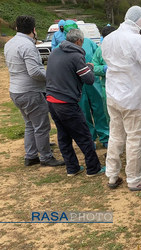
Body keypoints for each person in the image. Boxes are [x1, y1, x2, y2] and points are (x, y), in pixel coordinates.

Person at [102, 6, 141, 191]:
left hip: (114, 96)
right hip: (134, 99)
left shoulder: (109, 38)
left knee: (116, 136)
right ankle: (134, 180)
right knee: (134, 139)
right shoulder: (137, 40)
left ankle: (112, 175)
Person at [4, 15, 65, 167]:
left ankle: (31, 155)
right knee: (42, 126)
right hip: (31, 92)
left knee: (30, 124)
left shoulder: (10, 43)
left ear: (17, 28)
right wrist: (52, 77)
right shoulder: (27, 46)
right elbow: (35, 72)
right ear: (33, 30)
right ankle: (45, 157)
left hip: (16, 91)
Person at [45, 28, 106, 177]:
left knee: (63, 136)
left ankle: (72, 168)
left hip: (51, 100)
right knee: (83, 135)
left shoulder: (54, 52)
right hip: (67, 102)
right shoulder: (75, 56)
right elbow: (89, 80)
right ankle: (93, 168)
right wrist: (89, 67)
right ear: (79, 41)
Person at [62, 20, 110, 149]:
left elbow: (98, 59)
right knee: (83, 113)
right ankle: (90, 139)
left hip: (93, 82)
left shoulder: (88, 43)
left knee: (99, 109)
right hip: (77, 84)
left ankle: (105, 136)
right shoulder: (63, 48)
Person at [92, 25, 116, 123]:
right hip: (107, 88)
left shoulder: (124, 48)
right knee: (111, 118)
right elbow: (93, 68)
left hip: (124, 87)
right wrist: (104, 69)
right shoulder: (100, 50)